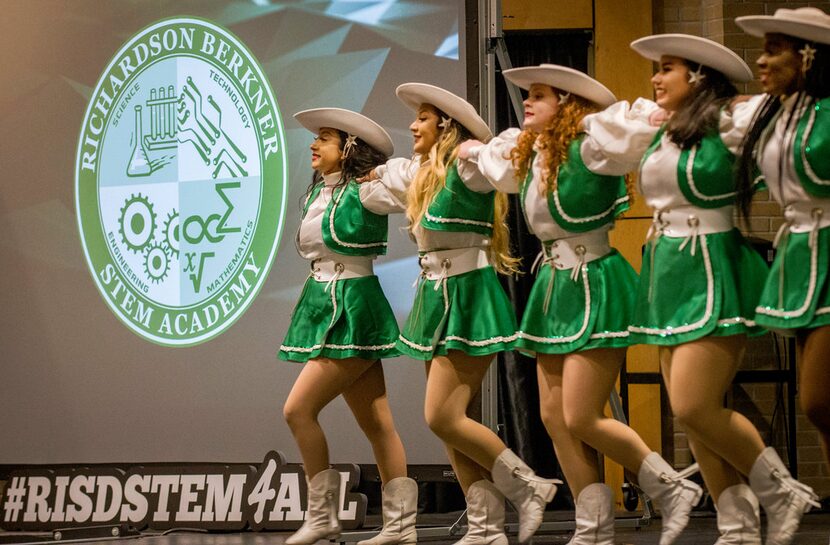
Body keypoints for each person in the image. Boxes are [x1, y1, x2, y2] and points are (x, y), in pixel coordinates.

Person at [458, 63, 703, 545]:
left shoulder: (592, 148)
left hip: (596, 280)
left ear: (568, 105)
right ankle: (594, 528)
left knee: (581, 414)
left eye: (541, 95)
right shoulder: (536, 154)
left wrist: (594, 119)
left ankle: (669, 486)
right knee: (553, 415)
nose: (527, 101)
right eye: (529, 94)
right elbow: (499, 168)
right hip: (554, 283)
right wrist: (474, 148)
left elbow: (631, 131)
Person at [623, 34, 819, 545]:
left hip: (713, 266)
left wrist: (733, 101)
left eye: (667, 68)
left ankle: (780, 491)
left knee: (694, 405)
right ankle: (737, 527)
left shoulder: (731, 122)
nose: (655, 78)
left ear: (699, 77)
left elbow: (773, 110)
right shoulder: (665, 130)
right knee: (690, 417)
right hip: (667, 268)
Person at [368, 83, 559, 545]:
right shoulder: (422, 174)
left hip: (469, 295)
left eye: (423, 118)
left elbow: (510, 166)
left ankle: (529, 486)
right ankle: (487, 527)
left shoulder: (468, 166)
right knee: (457, 423)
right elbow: (383, 184)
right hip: (435, 295)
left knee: (441, 416)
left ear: (446, 126)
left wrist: (480, 145)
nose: (413, 125)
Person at [280, 108, 416, 545]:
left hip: (354, 306)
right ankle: (400, 527)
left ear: (349, 148)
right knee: (378, 423)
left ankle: (322, 517)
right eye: (315, 139)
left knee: (298, 410)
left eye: (324, 138)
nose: (313, 145)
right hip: (324, 302)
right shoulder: (316, 195)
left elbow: (415, 191)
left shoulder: (367, 192)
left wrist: (379, 173)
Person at [734, 7, 830, 544]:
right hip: (800, 258)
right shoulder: (774, 114)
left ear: (808, 55)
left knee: (818, 398)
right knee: (821, 406)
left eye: (774, 50)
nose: (761, 60)